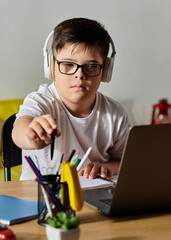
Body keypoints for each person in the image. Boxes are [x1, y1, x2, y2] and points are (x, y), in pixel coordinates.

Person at [12, 18, 133, 181]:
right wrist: (30, 134)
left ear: (105, 72)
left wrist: (104, 167)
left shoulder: (116, 114)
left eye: (91, 66)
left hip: (93, 198)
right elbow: (19, 131)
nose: (79, 74)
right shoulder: (40, 102)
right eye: (68, 64)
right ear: (51, 67)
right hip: (39, 199)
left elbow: (125, 162)